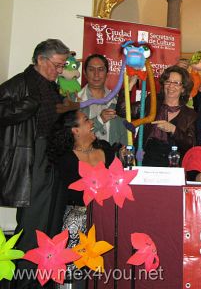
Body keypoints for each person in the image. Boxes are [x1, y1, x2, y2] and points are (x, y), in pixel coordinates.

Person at [0, 38, 74, 287]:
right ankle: (23, 284)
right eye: (58, 65)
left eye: (63, 66)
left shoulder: (51, 87)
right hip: (31, 159)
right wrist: (28, 105)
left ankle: (43, 282)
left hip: (52, 159)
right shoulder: (21, 84)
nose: (60, 70)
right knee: (33, 228)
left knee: (51, 226)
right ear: (41, 60)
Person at [47, 110, 115, 287]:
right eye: (86, 120)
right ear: (74, 130)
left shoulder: (106, 149)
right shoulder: (66, 158)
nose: (92, 123)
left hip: (106, 217)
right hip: (77, 219)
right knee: (73, 271)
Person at [118, 65, 197, 166]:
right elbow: (123, 110)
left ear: (183, 89)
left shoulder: (190, 114)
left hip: (172, 164)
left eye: (176, 83)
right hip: (145, 160)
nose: (171, 86)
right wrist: (130, 84)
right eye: (168, 81)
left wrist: (173, 130)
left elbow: (191, 145)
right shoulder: (152, 102)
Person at [78, 53, 128, 146]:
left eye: (101, 69)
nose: (96, 74)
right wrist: (99, 120)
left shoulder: (118, 102)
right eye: (91, 69)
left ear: (107, 73)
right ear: (85, 73)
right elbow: (71, 135)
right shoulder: (73, 101)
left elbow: (124, 138)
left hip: (112, 159)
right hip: (82, 158)